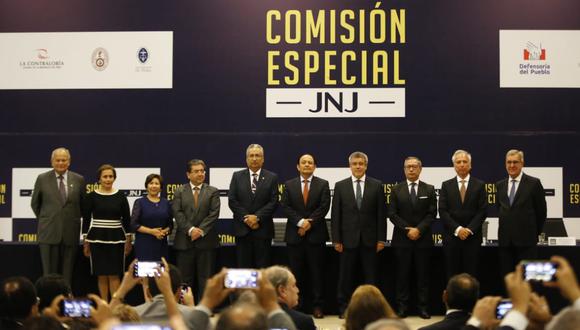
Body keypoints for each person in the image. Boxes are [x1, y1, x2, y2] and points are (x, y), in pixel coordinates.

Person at [331, 151, 386, 317]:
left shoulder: (376, 185)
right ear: (350, 166)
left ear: (366, 166)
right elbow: (336, 215)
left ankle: (372, 310)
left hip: (370, 241)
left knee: (371, 278)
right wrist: (336, 240)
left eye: (361, 164)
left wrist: (381, 239)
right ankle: (344, 308)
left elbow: (381, 215)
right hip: (347, 241)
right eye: (354, 164)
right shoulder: (341, 186)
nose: (358, 166)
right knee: (345, 278)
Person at [280, 153, 330, 318]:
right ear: (298, 166)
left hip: (316, 236)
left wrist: (309, 223)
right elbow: (286, 207)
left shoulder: (323, 184)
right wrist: (301, 223)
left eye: (310, 162)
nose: (307, 165)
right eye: (304, 162)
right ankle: (295, 306)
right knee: (295, 275)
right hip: (295, 236)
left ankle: (318, 306)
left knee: (317, 274)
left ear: (315, 166)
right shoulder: (288, 185)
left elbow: (324, 207)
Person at [388, 156, 436, 319]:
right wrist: (407, 229)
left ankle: (423, 308)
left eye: (414, 167)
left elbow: (431, 214)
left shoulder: (429, 189)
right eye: (408, 167)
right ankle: (402, 308)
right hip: (402, 240)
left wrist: (419, 230)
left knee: (423, 277)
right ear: (404, 169)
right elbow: (392, 214)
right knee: (402, 276)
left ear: (420, 169)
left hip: (423, 240)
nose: (411, 169)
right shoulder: (396, 189)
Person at [30, 147, 85, 286]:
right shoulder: (42, 179)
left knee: (68, 274)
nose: (61, 163)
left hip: (70, 232)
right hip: (48, 232)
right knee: (48, 274)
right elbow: (35, 203)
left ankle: (66, 298)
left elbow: (83, 205)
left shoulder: (79, 179)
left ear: (69, 162)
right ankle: (48, 301)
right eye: (58, 160)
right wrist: (47, 219)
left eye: (64, 160)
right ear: (52, 162)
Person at [82, 164, 132, 301]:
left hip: (117, 239)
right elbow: (86, 220)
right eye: (105, 176)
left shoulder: (121, 196)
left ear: (114, 178)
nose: (108, 179)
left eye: (111, 176)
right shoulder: (91, 196)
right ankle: (104, 304)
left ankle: (114, 306)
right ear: (99, 179)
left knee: (114, 274)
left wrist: (129, 239)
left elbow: (127, 220)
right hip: (96, 239)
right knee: (102, 274)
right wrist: (85, 241)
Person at [172, 159, 220, 299]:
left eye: (202, 171)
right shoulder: (179, 191)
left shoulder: (213, 191)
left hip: (207, 243)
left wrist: (200, 231)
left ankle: (203, 311)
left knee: (206, 280)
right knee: (184, 280)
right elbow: (178, 213)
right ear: (188, 174)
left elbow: (213, 214)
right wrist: (191, 230)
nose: (200, 174)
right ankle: (185, 309)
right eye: (196, 171)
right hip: (184, 242)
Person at [496, 149, 547, 277]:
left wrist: (533, 235)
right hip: (505, 243)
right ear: (505, 164)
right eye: (509, 162)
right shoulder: (500, 185)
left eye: (515, 162)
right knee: (508, 279)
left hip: (527, 243)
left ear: (522, 163)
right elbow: (500, 210)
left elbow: (541, 212)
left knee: (528, 281)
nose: (512, 165)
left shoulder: (534, 183)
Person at [228, 144, 279, 268]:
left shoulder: (272, 177)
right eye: (251, 156)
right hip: (243, 231)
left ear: (263, 159)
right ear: (246, 159)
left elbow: (273, 202)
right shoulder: (237, 176)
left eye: (258, 155)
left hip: (263, 231)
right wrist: (247, 218)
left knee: (263, 271)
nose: (254, 158)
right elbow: (232, 200)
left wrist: (256, 217)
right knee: (243, 270)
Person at [439, 150, 487, 279]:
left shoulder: (480, 185)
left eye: (465, 162)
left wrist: (469, 230)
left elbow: (482, 211)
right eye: (458, 162)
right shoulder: (446, 185)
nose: (461, 164)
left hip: (472, 239)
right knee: (451, 276)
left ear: (470, 165)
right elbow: (443, 211)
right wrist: (458, 229)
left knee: (472, 276)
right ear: (454, 166)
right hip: (451, 239)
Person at [131, 173, 173, 262]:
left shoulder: (166, 203)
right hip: (144, 244)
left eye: (157, 183)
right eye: (151, 183)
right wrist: (152, 232)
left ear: (161, 187)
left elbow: (170, 225)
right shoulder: (139, 202)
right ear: (146, 186)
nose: (154, 186)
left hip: (161, 244)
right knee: (144, 274)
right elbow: (134, 224)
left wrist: (162, 232)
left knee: (160, 273)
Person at [264, 265, 316, 330]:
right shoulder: (303, 322)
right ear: (282, 290)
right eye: (294, 285)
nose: (297, 290)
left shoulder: (252, 319)